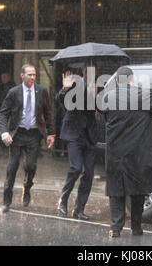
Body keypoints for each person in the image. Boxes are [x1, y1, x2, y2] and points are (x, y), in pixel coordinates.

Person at [100, 66, 152, 238]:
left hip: (116, 152)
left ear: (116, 81)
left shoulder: (107, 97)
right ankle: (136, 227)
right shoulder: (144, 95)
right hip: (138, 151)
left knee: (116, 189)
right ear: (132, 80)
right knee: (138, 189)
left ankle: (115, 228)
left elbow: (104, 117)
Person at [0, 64, 55, 213]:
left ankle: (27, 187)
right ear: (22, 76)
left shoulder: (42, 91)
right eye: (29, 74)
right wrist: (5, 133)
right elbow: (3, 114)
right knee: (12, 168)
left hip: (33, 135)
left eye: (34, 75)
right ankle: (6, 201)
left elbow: (48, 114)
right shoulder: (13, 92)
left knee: (31, 166)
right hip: (17, 134)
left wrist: (51, 133)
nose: (32, 77)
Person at [56, 62, 98, 221]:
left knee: (89, 173)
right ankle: (63, 199)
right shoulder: (74, 83)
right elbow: (59, 99)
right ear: (83, 72)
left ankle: (79, 209)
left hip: (90, 136)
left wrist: (97, 98)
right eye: (88, 72)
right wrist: (65, 89)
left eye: (94, 72)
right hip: (74, 133)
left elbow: (101, 108)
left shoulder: (98, 86)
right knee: (76, 167)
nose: (91, 74)